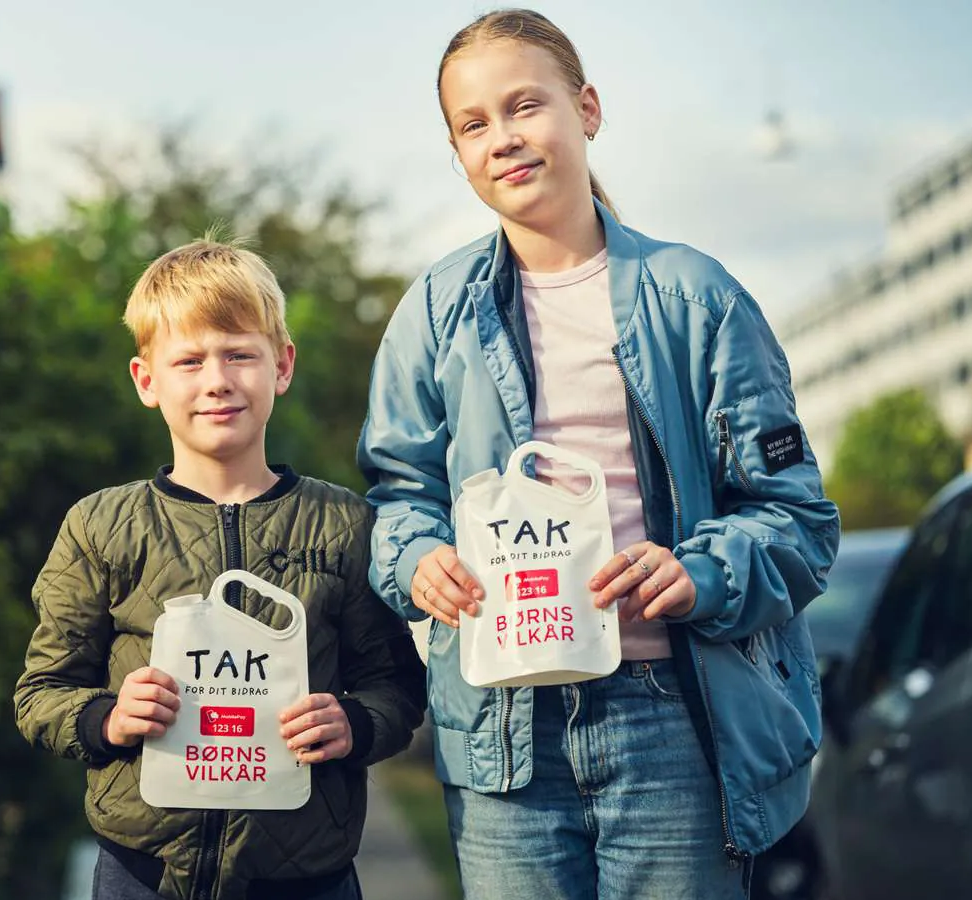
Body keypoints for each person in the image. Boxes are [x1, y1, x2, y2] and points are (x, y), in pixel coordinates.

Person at [356, 9, 841, 899]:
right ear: (458, 152)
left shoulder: (697, 298)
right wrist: (418, 556)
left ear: (587, 110)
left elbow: (796, 518)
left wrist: (701, 575)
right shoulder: (433, 311)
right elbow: (395, 491)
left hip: (671, 725)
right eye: (474, 124)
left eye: (524, 105)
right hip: (502, 737)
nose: (502, 138)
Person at [15, 237, 426, 900]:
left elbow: (399, 688)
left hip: (307, 878)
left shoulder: (344, 524)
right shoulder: (99, 527)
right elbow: (41, 695)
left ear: (282, 366)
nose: (218, 380)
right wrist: (110, 719)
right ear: (147, 380)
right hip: (140, 875)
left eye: (241, 354)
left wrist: (352, 723)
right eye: (189, 360)